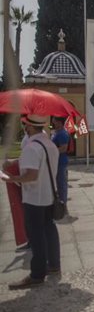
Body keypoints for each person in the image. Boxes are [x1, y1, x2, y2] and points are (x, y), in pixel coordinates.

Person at [1, 115, 61, 290]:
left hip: (34, 197)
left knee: (36, 236)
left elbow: (31, 175)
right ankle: (54, 265)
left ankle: (37, 274)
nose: (24, 127)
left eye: (25, 124)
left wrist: (11, 178)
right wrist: (15, 162)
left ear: (29, 126)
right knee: (49, 229)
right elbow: (40, 165)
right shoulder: (49, 144)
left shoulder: (31, 147)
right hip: (49, 195)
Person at [51, 116, 70, 205]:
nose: (53, 122)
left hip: (61, 162)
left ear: (59, 122)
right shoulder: (56, 132)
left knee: (61, 184)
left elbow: (64, 148)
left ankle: (63, 204)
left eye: (54, 120)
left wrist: (50, 151)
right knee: (58, 184)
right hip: (56, 162)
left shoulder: (62, 133)